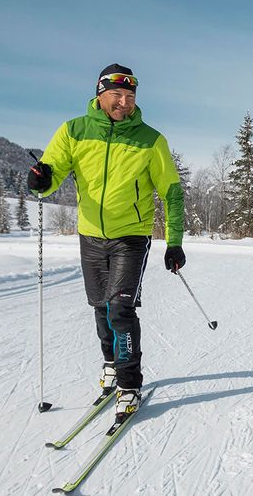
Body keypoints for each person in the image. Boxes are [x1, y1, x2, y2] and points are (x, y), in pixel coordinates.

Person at [27, 63, 184, 422]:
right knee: (100, 305)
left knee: (120, 310)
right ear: (100, 94)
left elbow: (172, 194)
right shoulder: (73, 131)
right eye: (117, 95)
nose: (124, 103)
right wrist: (39, 180)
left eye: (130, 97)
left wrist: (174, 242)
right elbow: (50, 175)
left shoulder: (150, 139)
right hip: (90, 235)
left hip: (131, 235)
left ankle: (130, 385)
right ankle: (111, 363)